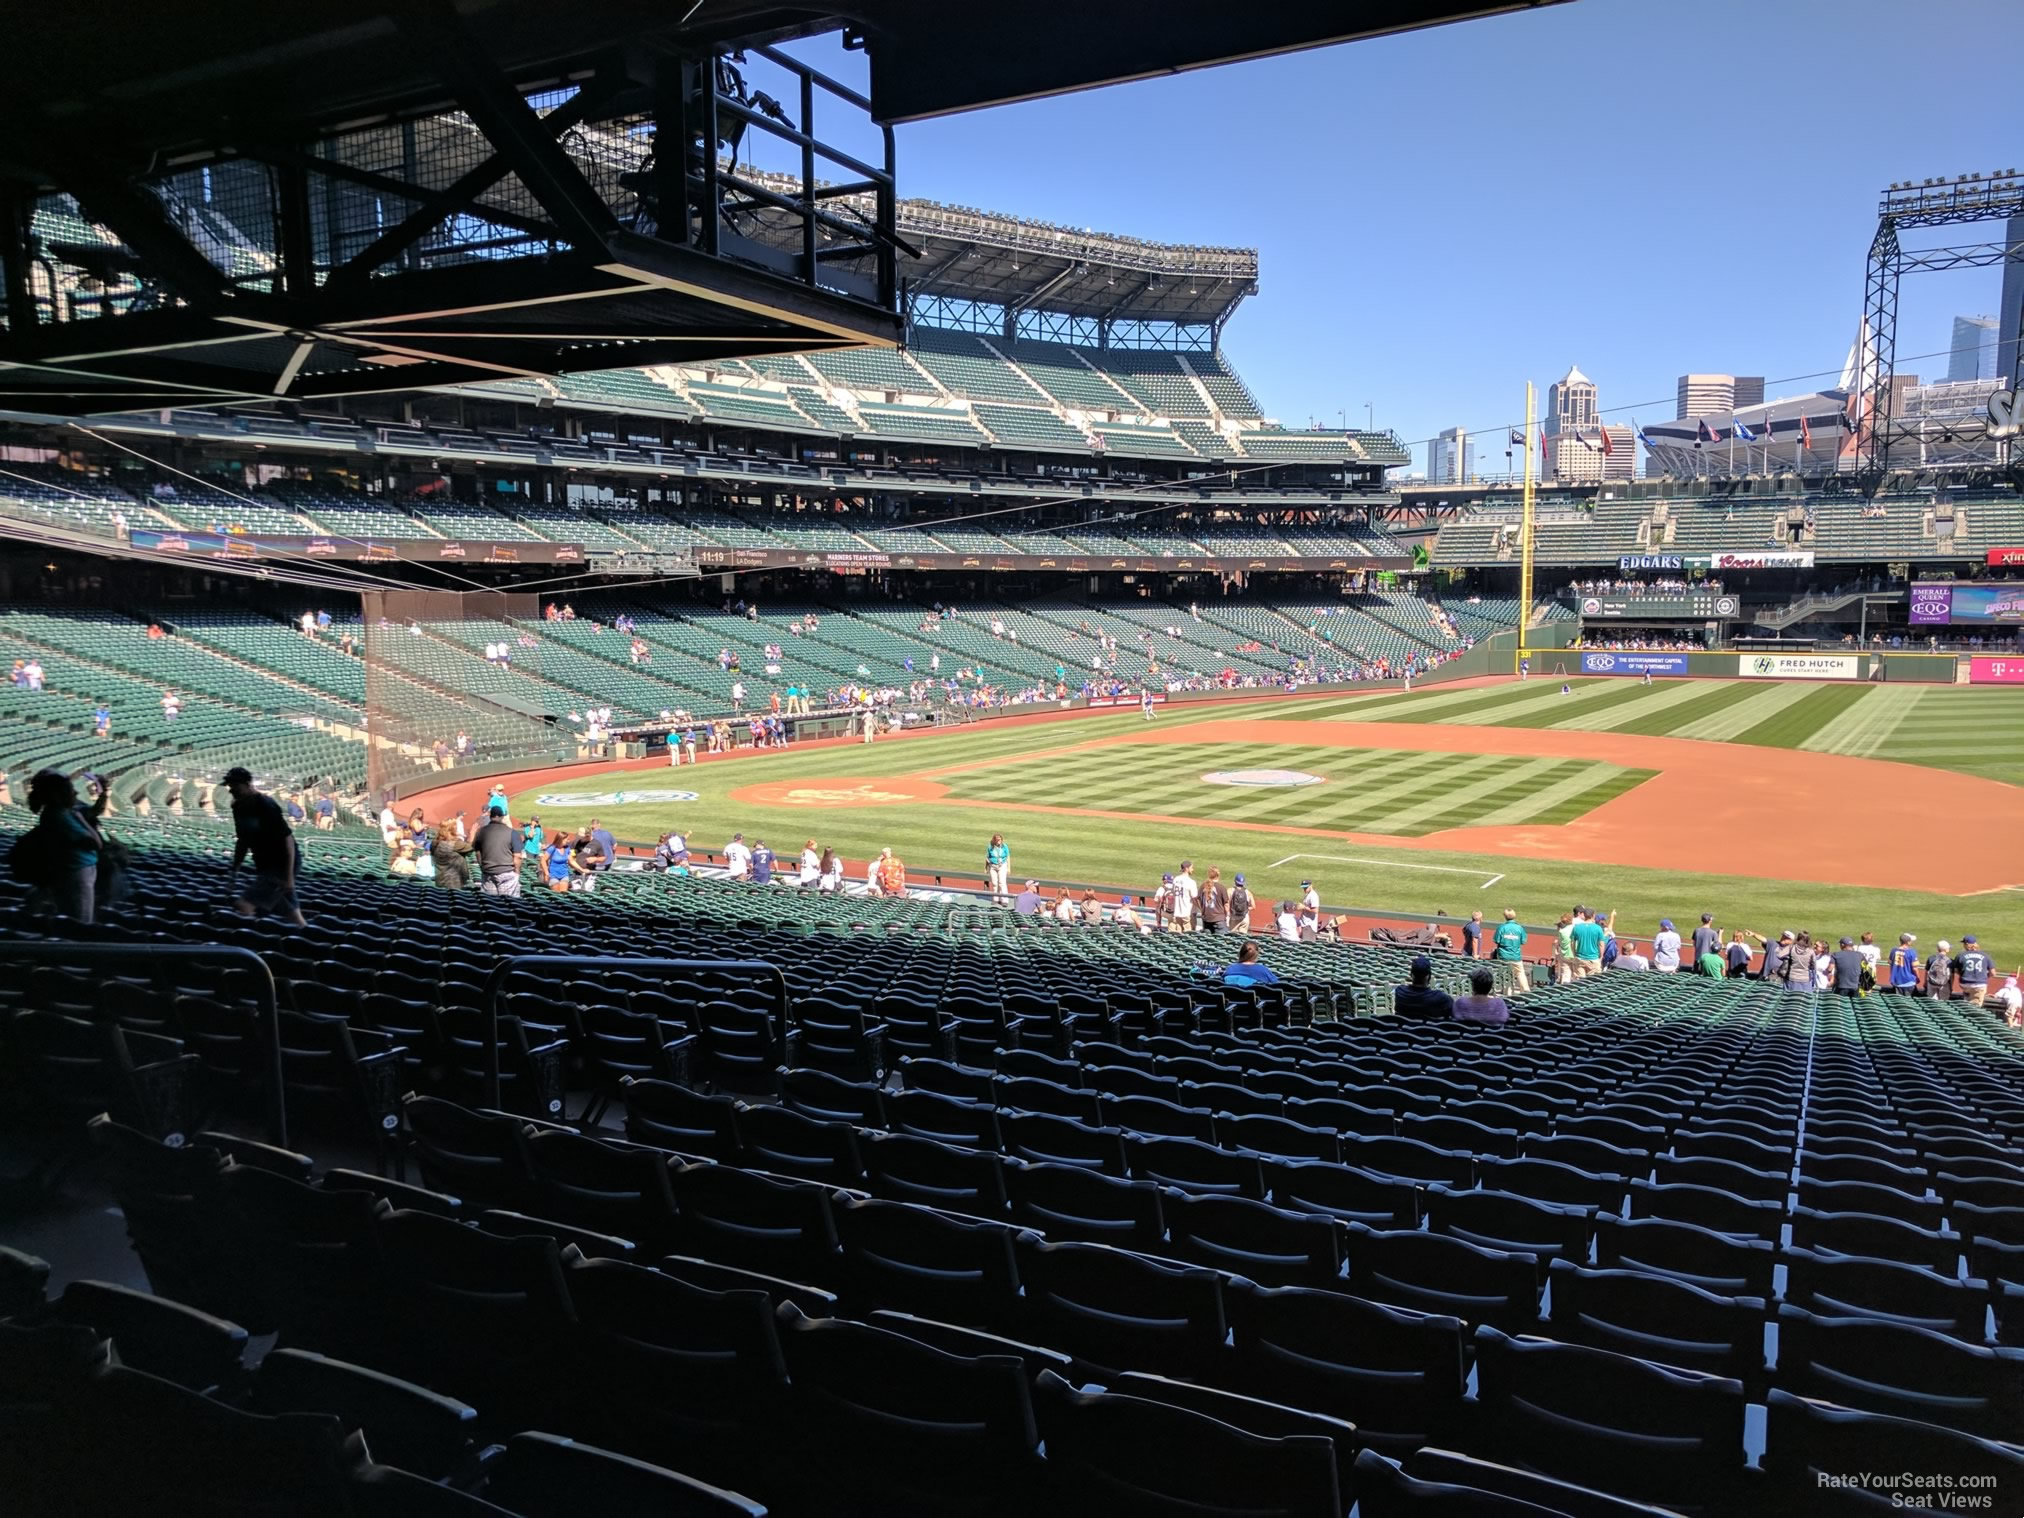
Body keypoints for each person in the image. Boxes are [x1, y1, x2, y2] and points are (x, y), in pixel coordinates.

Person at [18, 769, 106, 923]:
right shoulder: (60, 817)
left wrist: (103, 794)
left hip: (74, 871)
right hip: (75, 875)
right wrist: (81, 819)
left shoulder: (61, 811)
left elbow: (93, 811)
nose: (76, 793)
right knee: (80, 923)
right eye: (71, 790)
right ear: (58, 795)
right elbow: (96, 843)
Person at [223, 766, 306, 926]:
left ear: (248, 784)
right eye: (230, 786)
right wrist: (235, 867)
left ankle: (251, 941)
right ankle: (309, 941)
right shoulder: (238, 806)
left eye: (235, 786)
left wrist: (288, 877)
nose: (232, 790)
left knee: (243, 906)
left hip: (280, 866)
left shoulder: (266, 805)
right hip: (264, 865)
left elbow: (287, 840)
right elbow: (243, 839)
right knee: (292, 916)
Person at [467, 806, 521, 896]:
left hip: (488, 874)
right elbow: (517, 857)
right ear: (502, 817)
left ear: (490, 816)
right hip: (507, 874)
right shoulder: (512, 832)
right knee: (509, 905)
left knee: (491, 905)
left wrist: (482, 867)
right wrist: (517, 873)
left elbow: (477, 852)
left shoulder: (481, 832)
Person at [1394, 955, 1456, 1020]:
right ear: (1429, 976)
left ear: (1411, 974)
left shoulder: (1400, 992)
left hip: (1404, 1030)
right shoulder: (1441, 998)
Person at [1491, 908, 1530, 992]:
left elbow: (1496, 940)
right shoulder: (1519, 928)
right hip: (1516, 956)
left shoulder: (1501, 927)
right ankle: (1525, 990)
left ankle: (1507, 992)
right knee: (1520, 973)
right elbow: (1523, 941)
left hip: (1503, 956)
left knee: (1506, 974)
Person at [1568, 908, 1607, 979]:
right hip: (1593, 959)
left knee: (1580, 983)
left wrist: (1574, 954)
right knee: (1593, 982)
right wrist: (1601, 956)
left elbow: (1572, 943)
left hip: (1580, 959)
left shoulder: (1577, 927)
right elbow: (1601, 944)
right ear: (1593, 916)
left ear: (1584, 915)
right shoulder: (1598, 928)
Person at [1955, 936, 1994, 1007]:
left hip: (1965, 984)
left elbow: (1956, 970)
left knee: (1967, 1001)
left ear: (1966, 944)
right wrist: (1984, 977)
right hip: (1980, 985)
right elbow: (1993, 973)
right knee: (1975, 1007)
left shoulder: (1960, 955)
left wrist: (1963, 975)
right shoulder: (1985, 955)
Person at [432, 823, 470, 890]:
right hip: (454, 883)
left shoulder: (435, 843)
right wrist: (472, 835)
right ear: (453, 831)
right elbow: (472, 847)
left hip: (440, 881)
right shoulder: (457, 844)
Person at [1199, 867, 1229, 934]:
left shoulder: (1202, 886)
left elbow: (1197, 900)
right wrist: (1226, 915)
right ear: (1218, 875)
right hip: (1219, 919)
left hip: (1206, 919)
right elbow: (1226, 905)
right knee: (1220, 942)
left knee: (1207, 942)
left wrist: (1203, 911)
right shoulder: (1221, 887)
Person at [985, 834, 1011, 905]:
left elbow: (1008, 856)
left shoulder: (1004, 846)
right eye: (998, 839)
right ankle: (995, 899)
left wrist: (1008, 868)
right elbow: (987, 857)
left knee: (1002, 883)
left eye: (1000, 839)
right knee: (994, 883)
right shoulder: (990, 847)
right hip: (993, 866)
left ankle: (1004, 900)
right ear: (994, 840)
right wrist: (986, 868)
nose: (999, 841)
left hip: (1002, 865)